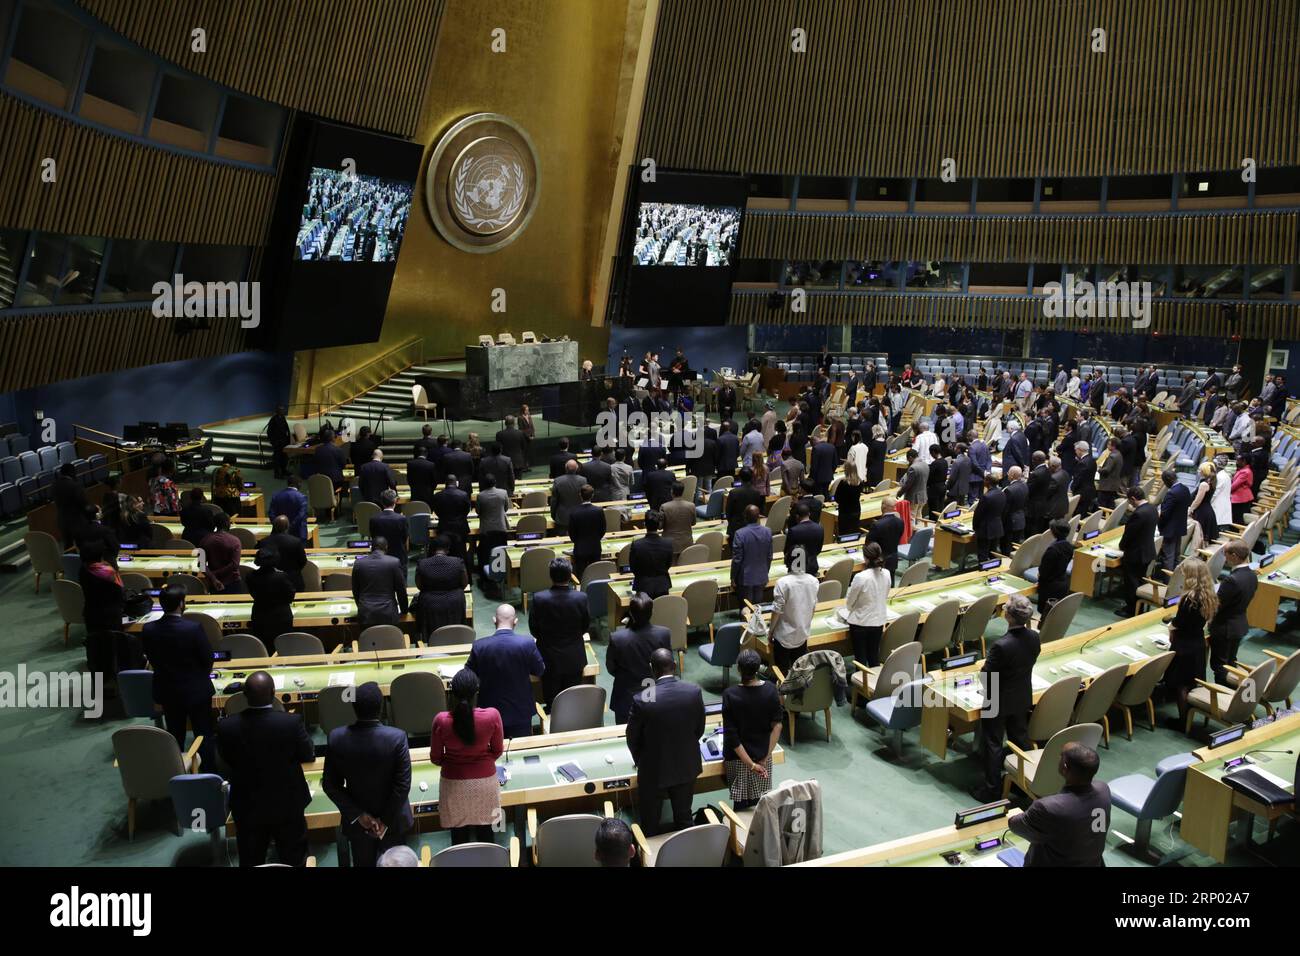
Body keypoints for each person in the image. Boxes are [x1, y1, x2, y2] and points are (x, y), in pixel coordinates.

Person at [217, 671, 315, 867]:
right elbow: (308, 754)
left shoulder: (226, 726)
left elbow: (226, 762)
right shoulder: (290, 722)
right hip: (288, 804)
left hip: (247, 805)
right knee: (294, 857)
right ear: (273, 693)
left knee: (251, 859)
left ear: (244, 695)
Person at [321, 681, 414, 866]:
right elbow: (402, 786)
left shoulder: (336, 737)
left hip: (359, 825)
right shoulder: (397, 737)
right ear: (381, 707)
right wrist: (384, 822)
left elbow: (330, 785)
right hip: (393, 821)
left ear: (354, 708)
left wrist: (359, 815)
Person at [626, 648, 705, 836]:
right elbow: (698, 729)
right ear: (675, 666)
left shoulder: (642, 699)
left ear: (652, 669)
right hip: (686, 765)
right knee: (684, 819)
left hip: (653, 770)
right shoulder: (693, 692)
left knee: (650, 823)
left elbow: (633, 738)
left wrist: (641, 761)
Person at [973, 594, 1041, 801]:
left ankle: (991, 790)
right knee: (1019, 740)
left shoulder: (1001, 645)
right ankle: (1023, 784)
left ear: (1008, 616)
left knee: (993, 743)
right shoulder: (1034, 637)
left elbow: (987, 674)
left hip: (997, 700)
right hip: (1021, 696)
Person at [140, 582, 215, 769]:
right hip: (196, 690)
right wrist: (199, 677)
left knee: (174, 734)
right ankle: (209, 773)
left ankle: (176, 770)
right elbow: (207, 659)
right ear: (181, 604)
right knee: (203, 733)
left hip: (167, 690)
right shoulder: (193, 628)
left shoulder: (148, 629)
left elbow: (152, 659)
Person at [1007, 742, 1111, 867]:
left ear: (1065, 768)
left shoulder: (1048, 807)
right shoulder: (1104, 790)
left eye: (1061, 755)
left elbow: (1015, 826)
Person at [431, 669, 504, 844]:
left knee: (459, 840)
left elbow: (436, 757)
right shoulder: (492, 715)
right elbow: (497, 751)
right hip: (486, 785)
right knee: (487, 835)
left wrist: (452, 762)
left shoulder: (441, 720)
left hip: (453, 786)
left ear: (451, 693)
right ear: (476, 693)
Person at [466, 604, 546, 738]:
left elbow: (468, 675)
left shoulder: (479, 646)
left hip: (489, 713)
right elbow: (540, 670)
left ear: (494, 620)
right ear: (515, 621)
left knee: (492, 751)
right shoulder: (527, 643)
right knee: (521, 751)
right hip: (520, 712)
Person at [721, 649, 784, 809]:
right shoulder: (771, 689)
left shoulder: (730, 694)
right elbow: (777, 725)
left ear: (739, 669)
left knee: (740, 806)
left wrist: (750, 765)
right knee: (759, 804)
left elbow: (732, 737)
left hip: (739, 759)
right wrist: (764, 758)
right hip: (762, 755)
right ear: (758, 669)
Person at [530, 557, 591, 706]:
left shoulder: (539, 598)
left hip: (549, 658)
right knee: (572, 702)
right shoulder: (581, 598)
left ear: (551, 575)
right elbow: (585, 626)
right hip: (574, 657)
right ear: (570, 575)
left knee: (551, 702)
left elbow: (534, 628)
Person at [1164, 557, 1217, 721]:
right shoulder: (1208, 594)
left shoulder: (1190, 599)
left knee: (1181, 685)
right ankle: (1187, 719)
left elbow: (1180, 622)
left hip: (1184, 646)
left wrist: (1171, 624)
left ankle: (1182, 721)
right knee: (1191, 682)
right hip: (1198, 643)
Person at [607, 592, 673, 723]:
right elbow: (666, 665)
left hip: (625, 695)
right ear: (651, 612)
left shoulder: (617, 638)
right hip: (654, 693)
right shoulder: (663, 634)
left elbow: (611, 668)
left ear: (630, 613)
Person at [1208, 541, 1257, 685]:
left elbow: (1215, 605)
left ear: (1234, 556)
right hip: (1239, 625)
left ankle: (1221, 698)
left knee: (1220, 667)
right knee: (1230, 662)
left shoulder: (1231, 580)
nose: (1225, 558)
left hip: (1224, 628)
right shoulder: (1252, 575)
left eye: (1225, 554)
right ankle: (1231, 695)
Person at [769, 552, 818, 673]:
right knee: (798, 672)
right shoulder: (813, 581)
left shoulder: (783, 582)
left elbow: (777, 611)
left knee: (782, 673)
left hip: (783, 636)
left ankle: (784, 691)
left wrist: (770, 631)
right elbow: (813, 608)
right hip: (802, 633)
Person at [844, 542, 891, 669]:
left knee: (860, 659)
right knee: (873, 656)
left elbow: (849, 603)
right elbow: (885, 595)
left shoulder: (861, 577)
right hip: (878, 621)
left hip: (860, 623)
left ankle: (861, 685)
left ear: (866, 558)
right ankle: (873, 685)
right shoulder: (887, 573)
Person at [413, 536, 468, 641]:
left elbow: (419, 586)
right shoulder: (457, 562)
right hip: (454, 602)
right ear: (448, 548)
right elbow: (464, 583)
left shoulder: (422, 563)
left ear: (433, 549)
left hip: (429, 603)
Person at [351, 536, 408, 628]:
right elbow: (401, 590)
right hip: (388, 613)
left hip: (366, 613)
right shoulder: (394, 562)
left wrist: (362, 607)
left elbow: (355, 590)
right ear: (386, 547)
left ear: (371, 548)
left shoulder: (358, 563)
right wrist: (404, 610)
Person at [1118, 486, 1158, 617]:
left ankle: (1131, 610)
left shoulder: (1138, 514)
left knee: (1131, 583)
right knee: (1139, 580)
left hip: (1135, 554)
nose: (1130, 504)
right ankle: (1136, 607)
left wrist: (1121, 546)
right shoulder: (1152, 508)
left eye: (1130, 501)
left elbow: (1129, 534)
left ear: (1133, 499)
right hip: (1147, 551)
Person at [246, 547, 296, 650]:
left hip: (259, 616)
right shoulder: (281, 577)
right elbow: (290, 596)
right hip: (281, 618)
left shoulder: (250, 576)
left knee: (263, 648)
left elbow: (253, 594)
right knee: (284, 647)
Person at [472, 472, 510, 581]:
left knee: (485, 552)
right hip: (501, 527)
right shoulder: (503, 493)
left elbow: (478, 511)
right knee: (501, 551)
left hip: (486, 529)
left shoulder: (480, 496)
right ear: (495, 482)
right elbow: (506, 508)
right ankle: (503, 575)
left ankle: (485, 576)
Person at [630, 509, 674, 598]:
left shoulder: (637, 545)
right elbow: (668, 564)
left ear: (644, 524)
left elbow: (633, 567)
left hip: (643, 586)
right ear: (659, 525)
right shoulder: (668, 543)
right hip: (662, 585)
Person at [1036, 519, 1074, 616]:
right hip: (1063, 583)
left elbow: (1043, 572)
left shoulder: (1052, 550)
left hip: (1049, 587)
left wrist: (1039, 574)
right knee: (1055, 614)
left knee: (1046, 614)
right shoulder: (1069, 546)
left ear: (1053, 532)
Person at [566, 483, 605, 578]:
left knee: (581, 576)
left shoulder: (574, 512)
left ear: (580, 495)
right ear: (592, 495)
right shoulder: (599, 511)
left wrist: (579, 541)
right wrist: (595, 539)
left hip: (580, 548)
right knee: (595, 574)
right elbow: (602, 529)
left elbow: (572, 533)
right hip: (595, 547)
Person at [200, 512, 243, 594]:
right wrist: (215, 574)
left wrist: (213, 578)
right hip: (232, 582)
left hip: (213, 582)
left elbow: (201, 565)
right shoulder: (235, 541)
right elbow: (234, 565)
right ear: (227, 523)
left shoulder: (205, 540)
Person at [370, 488, 410, 575]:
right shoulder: (402, 519)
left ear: (381, 502)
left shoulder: (374, 519)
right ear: (395, 501)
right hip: (399, 556)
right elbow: (405, 538)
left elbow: (374, 538)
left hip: (381, 558)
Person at [431, 475, 471, 563]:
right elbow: (467, 510)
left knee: (446, 555)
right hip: (460, 528)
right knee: (461, 554)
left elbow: (436, 511)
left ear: (445, 483)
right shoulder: (463, 494)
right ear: (456, 483)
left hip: (444, 527)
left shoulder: (438, 495)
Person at [1157, 469, 1191, 573]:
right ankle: (1175, 579)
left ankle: (1167, 584)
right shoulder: (1185, 489)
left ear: (1168, 480)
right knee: (1176, 556)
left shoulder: (1171, 493)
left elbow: (1165, 514)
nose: (1165, 484)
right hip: (1179, 527)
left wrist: (1159, 525)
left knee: (1168, 557)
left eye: (1164, 481)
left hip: (1170, 529)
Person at [867, 496, 905, 583]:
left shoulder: (877, 525)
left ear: (883, 507)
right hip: (893, 558)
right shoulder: (900, 522)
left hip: (879, 561)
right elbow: (899, 536)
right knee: (890, 584)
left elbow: (869, 544)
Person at [53, 463, 88, 548]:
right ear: (71, 472)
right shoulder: (75, 485)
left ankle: (71, 561)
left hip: (62, 520)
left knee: (68, 546)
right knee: (82, 545)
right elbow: (83, 503)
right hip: (76, 520)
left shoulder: (54, 485)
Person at [972, 472, 1005, 563]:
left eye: (985, 479)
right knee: (992, 553)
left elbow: (978, 514)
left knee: (983, 554)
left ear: (988, 482)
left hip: (985, 529)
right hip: (997, 526)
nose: (983, 481)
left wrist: (975, 527)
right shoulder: (1002, 493)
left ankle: (983, 572)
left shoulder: (986, 497)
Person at [725, 467, 764, 540]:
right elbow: (760, 511)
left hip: (736, 528)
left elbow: (728, 513)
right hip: (753, 527)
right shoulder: (757, 492)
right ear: (752, 477)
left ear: (740, 478)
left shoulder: (733, 493)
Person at [661, 480, 697, 556]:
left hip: (670, 544)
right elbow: (693, 523)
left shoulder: (664, 507)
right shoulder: (691, 505)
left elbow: (660, 526)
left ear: (672, 491)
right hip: (687, 543)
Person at [269, 474, 309, 541]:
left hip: (278, 534)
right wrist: (289, 528)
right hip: (298, 534)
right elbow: (301, 516)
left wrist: (279, 527)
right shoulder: (302, 497)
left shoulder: (276, 496)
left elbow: (271, 514)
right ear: (299, 484)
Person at [551, 458, 586, 530]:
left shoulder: (558, 481)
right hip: (579, 516)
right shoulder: (583, 480)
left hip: (562, 518)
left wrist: (553, 515)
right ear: (577, 468)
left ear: (565, 468)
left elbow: (554, 501)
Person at [1189, 461, 1219, 544]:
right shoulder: (1212, 481)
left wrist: (1190, 509)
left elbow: (1198, 500)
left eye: (1200, 470)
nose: (1198, 471)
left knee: (1199, 536)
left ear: (1204, 471)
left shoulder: (1204, 484)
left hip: (1202, 512)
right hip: (1207, 510)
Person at [833, 457, 863, 536]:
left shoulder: (843, 483)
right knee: (854, 531)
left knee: (844, 534)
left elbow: (837, 498)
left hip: (845, 512)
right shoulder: (860, 481)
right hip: (856, 510)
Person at [1071, 440, 1097, 516]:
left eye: (1076, 450)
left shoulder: (1082, 463)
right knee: (1083, 513)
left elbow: (1078, 479)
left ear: (1080, 450)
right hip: (1090, 490)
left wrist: (1072, 489)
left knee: (1078, 515)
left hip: (1082, 493)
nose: (1075, 452)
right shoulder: (1092, 460)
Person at [1097, 438, 1124, 510]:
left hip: (1107, 485)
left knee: (1102, 505)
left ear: (1113, 446)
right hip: (1114, 484)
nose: (1107, 446)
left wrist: (1099, 470)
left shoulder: (1112, 456)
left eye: (1109, 444)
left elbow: (1106, 470)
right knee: (1110, 504)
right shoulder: (1119, 454)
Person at [1230, 455, 1255, 526]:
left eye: (1238, 460)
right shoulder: (1243, 470)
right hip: (1241, 497)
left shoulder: (1245, 472)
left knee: (1237, 518)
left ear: (1244, 462)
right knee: (1237, 517)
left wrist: (1226, 491)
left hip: (1240, 498)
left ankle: (1236, 533)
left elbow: (1234, 485)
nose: (1236, 462)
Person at [267, 406, 292, 478]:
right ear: (277, 411)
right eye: (281, 410)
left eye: (283, 410)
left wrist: (288, 439)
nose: (283, 411)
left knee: (284, 457)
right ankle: (277, 473)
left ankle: (284, 470)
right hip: (277, 442)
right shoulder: (273, 419)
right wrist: (273, 442)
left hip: (283, 441)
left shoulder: (283, 417)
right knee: (277, 458)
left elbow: (286, 428)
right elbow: (269, 432)